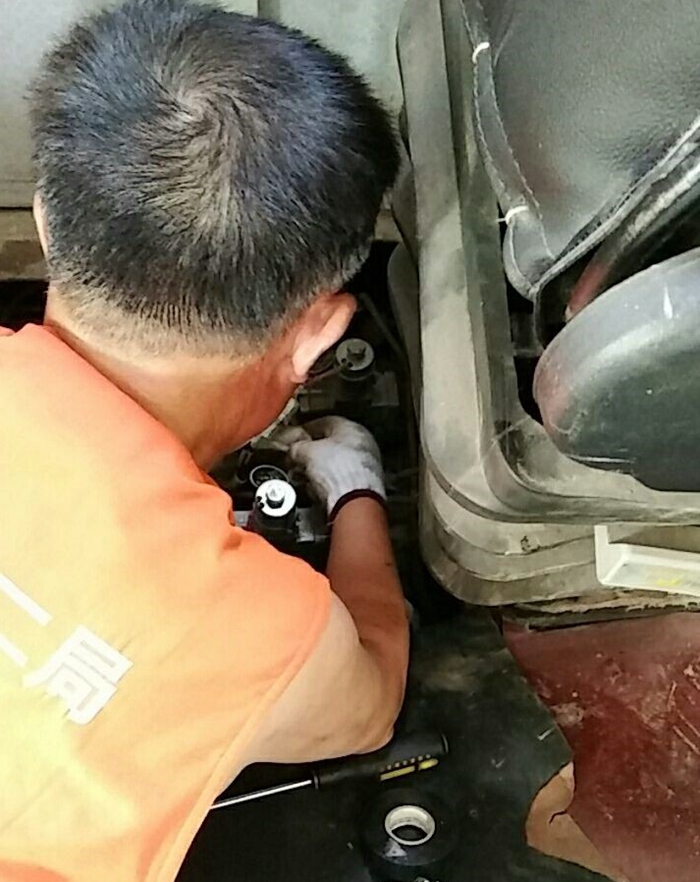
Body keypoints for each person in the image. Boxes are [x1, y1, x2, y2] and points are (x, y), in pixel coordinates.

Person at [0, 1, 409, 879]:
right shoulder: (253, 627)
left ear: (44, 224)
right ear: (319, 335)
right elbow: (371, 699)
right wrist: (357, 493)